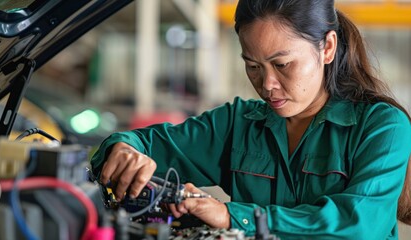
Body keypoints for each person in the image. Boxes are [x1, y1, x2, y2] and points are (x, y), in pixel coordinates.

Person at [90, 0, 411, 238]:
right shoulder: (237, 123)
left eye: (282, 64)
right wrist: (123, 150)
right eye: (253, 66)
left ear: (327, 47)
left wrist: (232, 216)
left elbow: (359, 226)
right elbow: (137, 145)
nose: (267, 85)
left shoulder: (383, 126)